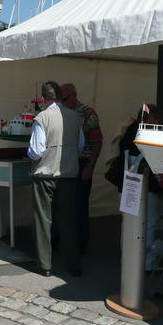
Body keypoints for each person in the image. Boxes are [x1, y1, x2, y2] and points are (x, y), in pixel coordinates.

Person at [28, 81, 84, 277]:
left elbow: (36, 151)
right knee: (68, 220)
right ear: (60, 96)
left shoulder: (41, 117)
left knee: (44, 220)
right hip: (68, 174)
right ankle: (74, 264)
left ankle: (45, 265)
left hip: (45, 175)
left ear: (44, 99)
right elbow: (80, 145)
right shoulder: (76, 117)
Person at [119, 104, 163, 271]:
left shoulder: (129, 130)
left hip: (128, 185)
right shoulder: (152, 134)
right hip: (148, 186)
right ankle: (146, 264)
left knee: (129, 223)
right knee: (148, 224)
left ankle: (128, 259)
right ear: (152, 117)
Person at [60, 83, 103, 254]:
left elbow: (97, 141)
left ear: (74, 96)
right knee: (64, 205)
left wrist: (90, 166)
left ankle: (80, 246)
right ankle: (63, 243)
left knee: (79, 206)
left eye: (63, 99)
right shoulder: (60, 112)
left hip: (82, 163)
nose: (61, 102)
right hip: (65, 163)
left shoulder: (87, 113)